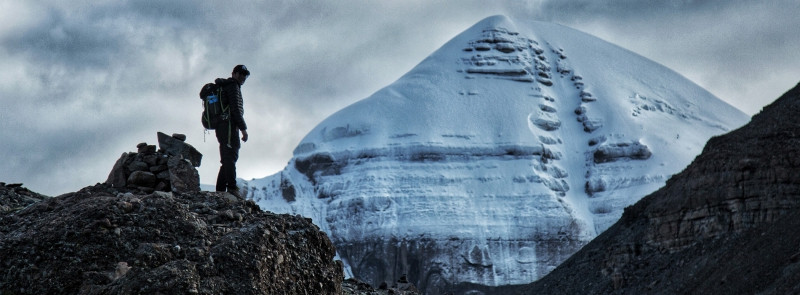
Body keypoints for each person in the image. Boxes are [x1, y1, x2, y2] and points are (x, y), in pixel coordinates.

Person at [215, 64, 250, 197]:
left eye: (245, 75)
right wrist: (243, 129)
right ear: (234, 73)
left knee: (227, 157)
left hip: (223, 126)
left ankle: (220, 190)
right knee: (230, 155)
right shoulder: (233, 86)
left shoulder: (228, 86)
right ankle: (231, 187)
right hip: (228, 126)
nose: (243, 77)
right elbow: (235, 109)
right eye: (241, 73)